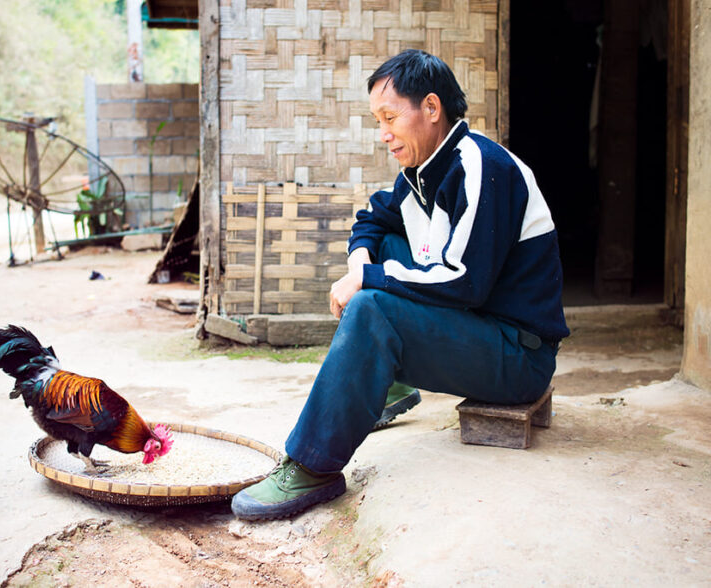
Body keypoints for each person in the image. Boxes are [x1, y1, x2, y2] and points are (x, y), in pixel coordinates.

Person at [231, 49, 570, 520]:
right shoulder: (422, 173)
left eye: (390, 117)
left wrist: (366, 281)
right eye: (378, 121)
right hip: (478, 328)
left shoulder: (481, 167)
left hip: (517, 354)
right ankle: (386, 380)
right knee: (385, 248)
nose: (384, 133)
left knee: (373, 307)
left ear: (431, 109)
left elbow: (465, 281)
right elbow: (372, 218)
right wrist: (360, 263)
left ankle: (312, 467)